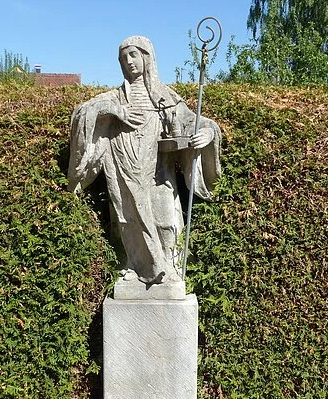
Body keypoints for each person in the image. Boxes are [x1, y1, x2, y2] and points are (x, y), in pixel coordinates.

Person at [68, 35, 221, 284]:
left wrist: (207, 132)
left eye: (133, 55)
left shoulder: (166, 97)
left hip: (160, 174)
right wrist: (112, 111)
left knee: (164, 220)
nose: (129, 61)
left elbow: (192, 120)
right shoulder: (115, 97)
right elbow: (82, 113)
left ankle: (169, 267)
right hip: (124, 172)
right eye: (123, 57)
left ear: (146, 58)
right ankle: (135, 266)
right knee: (127, 221)